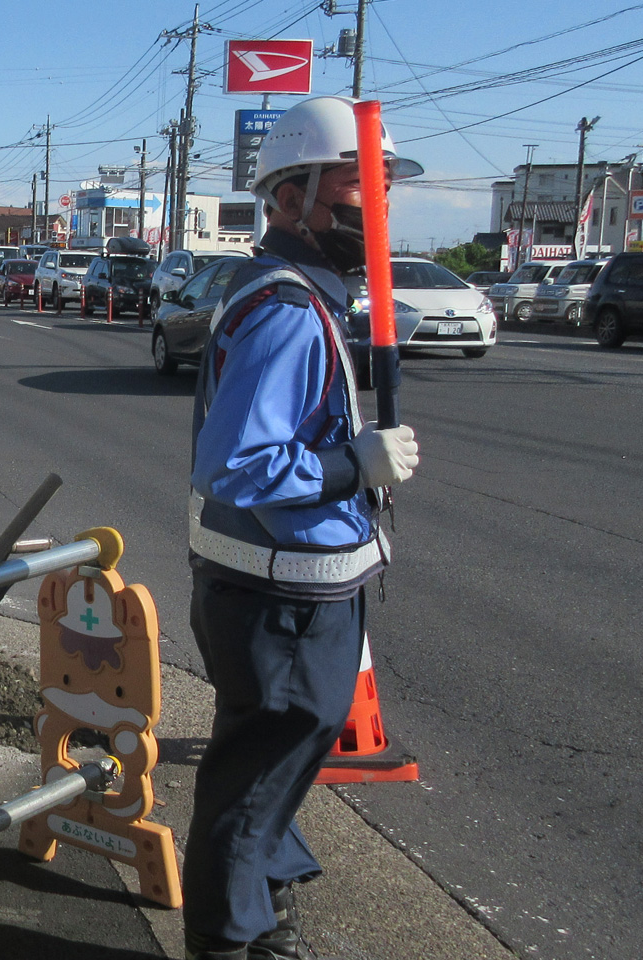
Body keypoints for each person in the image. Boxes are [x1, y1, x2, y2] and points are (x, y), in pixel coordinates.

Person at [181, 95, 423, 960]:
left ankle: (263, 911)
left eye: (385, 191)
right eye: (361, 188)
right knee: (249, 786)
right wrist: (353, 465)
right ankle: (229, 943)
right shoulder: (287, 308)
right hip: (277, 600)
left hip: (282, 590)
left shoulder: (302, 295)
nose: (378, 209)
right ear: (289, 198)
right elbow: (235, 463)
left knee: (268, 765)